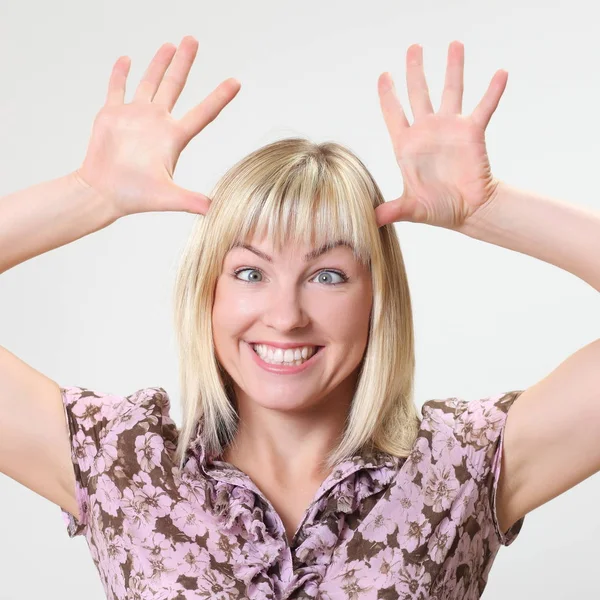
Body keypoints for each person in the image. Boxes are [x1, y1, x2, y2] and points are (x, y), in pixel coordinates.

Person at [0, 35, 598, 600]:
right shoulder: (121, 463)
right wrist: (88, 195)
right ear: (208, 292)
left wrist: (490, 209)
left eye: (328, 276)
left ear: (376, 297)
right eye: (250, 273)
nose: (285, 317)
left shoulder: (461, 466)